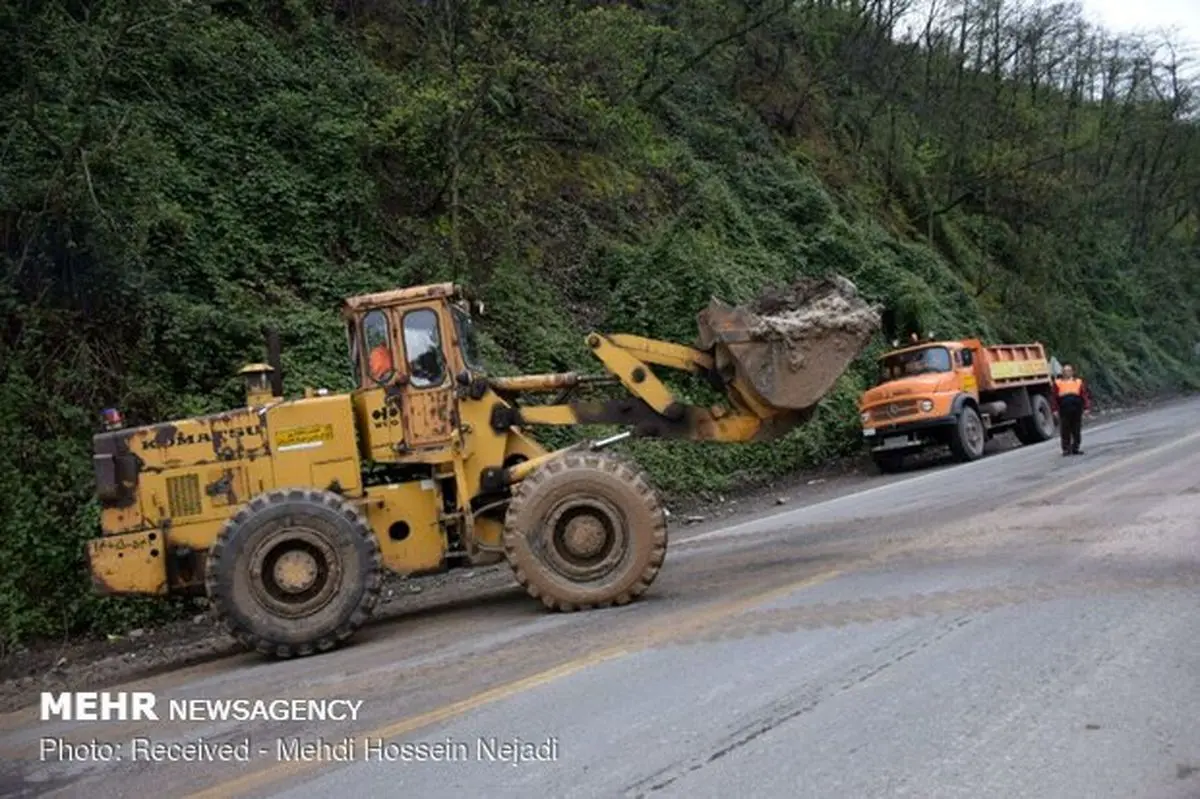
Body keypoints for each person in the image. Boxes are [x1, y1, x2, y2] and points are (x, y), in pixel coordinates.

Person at [1051, 363, 1091, 455]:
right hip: (1064, 409)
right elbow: (1053, 397)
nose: (1067, 372)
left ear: (1072, 372)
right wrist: (1054, 410)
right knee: (1065, 429)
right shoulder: (1058, 383)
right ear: (1062, 372)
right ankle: (1066, 449)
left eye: (1069, 371)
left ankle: (1075, 447)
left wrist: (1086, 407)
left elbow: (1084, 395)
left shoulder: (1078, 382)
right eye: (1065, 371)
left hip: (1076, 408)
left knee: (1076, 429)